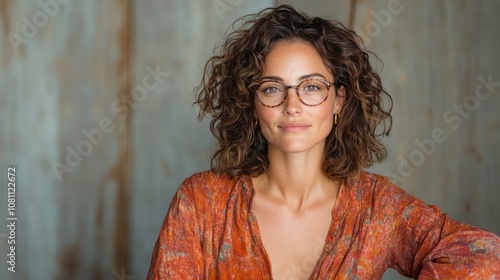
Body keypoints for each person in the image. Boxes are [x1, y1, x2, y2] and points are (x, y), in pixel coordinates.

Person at [147, 5, 500, 279]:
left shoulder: (377, 208)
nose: (293, 106)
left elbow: (484, 253)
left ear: (339, 101)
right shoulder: (200, 204)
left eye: (312, 87)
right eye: (272, 88)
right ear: (251, 104)